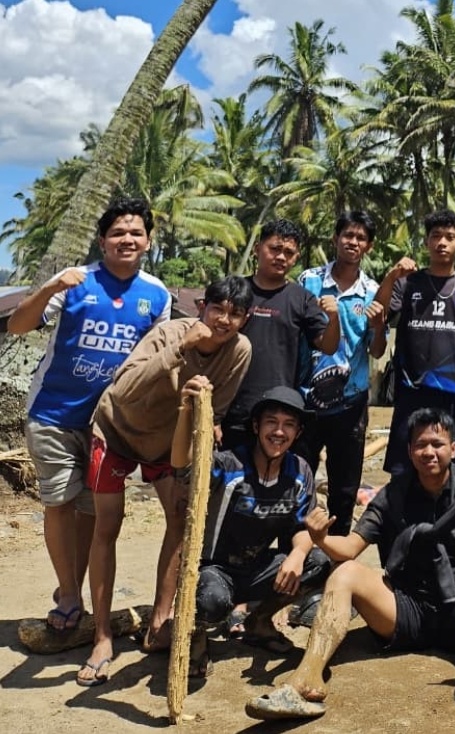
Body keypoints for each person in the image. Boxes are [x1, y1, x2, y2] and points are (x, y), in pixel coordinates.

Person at [243, 408, 455, 721]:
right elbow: (349, 548)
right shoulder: (392, 495)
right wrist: (320, 539)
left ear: (454, 449)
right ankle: (305, 680)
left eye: (437, 444)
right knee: (345, 572)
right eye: (420, 444)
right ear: (409, 450)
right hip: (405, 609)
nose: (428, 452)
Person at [78, 276, 253, 686]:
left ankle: (160, 621)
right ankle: (102, 636)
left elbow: (219, 409)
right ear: (201, 308)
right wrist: (182, 348)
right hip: (117, 431)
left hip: (168, 442)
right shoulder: (168, 333)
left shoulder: (240, 350)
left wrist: (203, 419)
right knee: (108, 526)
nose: (224, 320)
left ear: (244, 319)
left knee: (179, 521)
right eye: (218, 309)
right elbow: (122, 390)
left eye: (235, 313)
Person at [8, 198, 172, 634]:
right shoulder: (74, 282)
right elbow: (18, 326)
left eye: (136, 233)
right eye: (118, 232)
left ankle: (74, 590)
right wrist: (48, 288)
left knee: (90, 512)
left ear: (148, 242)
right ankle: (68, 592)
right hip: (54, 413)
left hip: (110, 424)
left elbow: (156, 362)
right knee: (59, 503)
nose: (127, 239)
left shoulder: (158, 295)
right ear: (102, 240)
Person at [170, 384, 331, 678]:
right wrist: (184, 411)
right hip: (213, 570)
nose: (279, 432)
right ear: (256, 426)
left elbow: (303, 525)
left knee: (318, 563)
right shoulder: (228, 465)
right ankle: (198, 633)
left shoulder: (300, 472)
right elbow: (183, 467)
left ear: (298, 433)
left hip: (257, 569)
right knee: (211, 601)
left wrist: (297, 553)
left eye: (289, 425)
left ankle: (259, 621)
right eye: (271, 422)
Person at [374, 209, 455, 476]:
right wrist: (391, 276)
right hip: (411, 392)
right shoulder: (407, 284)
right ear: (426, 241)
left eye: (449, 237)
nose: (442, 242)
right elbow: (378, 313)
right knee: (406, 468)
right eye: (436, 236)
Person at [296, 211, 386, 536]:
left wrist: (379, 327)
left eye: (361, 238)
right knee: (298, 479)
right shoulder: (308, 281)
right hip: (306, 400)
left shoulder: (373, 292)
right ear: (335, 239)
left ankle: (336, 559)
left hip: (350, 403)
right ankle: (295, 552)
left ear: (369, 246)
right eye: (348, 235)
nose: (353, 242)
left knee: (344, 489)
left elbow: (376, 351)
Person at [220, 218, 340, 456]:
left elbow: (327, 346)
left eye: (289, 252)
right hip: (231, 409)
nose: (281, 257)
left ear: (296, 258)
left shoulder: (301, 298)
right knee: (226, 484)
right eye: (274, 249)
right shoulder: (234, 291)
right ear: (257, 249)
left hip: (277, 414)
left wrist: (334, 319)